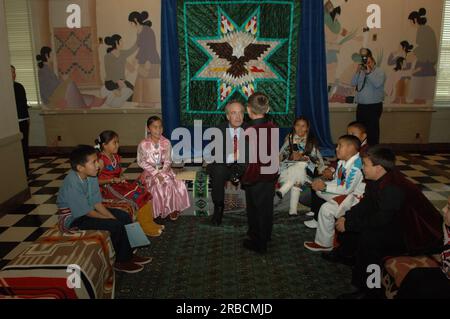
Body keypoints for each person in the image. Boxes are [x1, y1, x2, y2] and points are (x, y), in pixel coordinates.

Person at [334, 146, 443, 299]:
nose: (362, 168)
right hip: (397, 219)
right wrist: (347, 217)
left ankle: (369, 290)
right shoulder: (378, 179)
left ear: (378, 168)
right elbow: (367, 204)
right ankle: (348, 255)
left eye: (365, 164)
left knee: (371, 240)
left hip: (414, 233)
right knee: (354, 221)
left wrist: (349, 224)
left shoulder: (393, 188)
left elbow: (381, 219)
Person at [56, 145, 151, 273]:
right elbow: (87, 212)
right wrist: (109, 218)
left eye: (97, 161)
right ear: (80, 168)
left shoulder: (92, 175)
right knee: (115, 225)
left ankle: (129, 254)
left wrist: (110, 216)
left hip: (87, 210)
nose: (98, 165)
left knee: (123, 216)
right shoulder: (72, 182)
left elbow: (96, 203)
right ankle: (121, 261)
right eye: (93, 162)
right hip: (73, 218)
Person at [95, 130, 163, 237]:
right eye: (114, 143)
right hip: (107, 189)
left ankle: (149, 223)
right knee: (138, 196)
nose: (118, 145)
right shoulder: (101, 160)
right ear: (104, 145)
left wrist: (121, 178)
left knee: (144, 191)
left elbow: (119, 174)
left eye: (118, 142)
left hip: (117, 185)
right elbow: (93, 181)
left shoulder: (116, 157)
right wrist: (111, 180)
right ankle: (146, 227)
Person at [304, 135, 365, 251]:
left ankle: (325, 243)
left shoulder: (355, 167)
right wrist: (321, 184)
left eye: (339, 146)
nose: (336, 148)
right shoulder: (343, 161)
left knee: (326, 209)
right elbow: (338, 182)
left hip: (355, 199)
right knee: (318, 191)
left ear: (351, 148)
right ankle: (334, 215)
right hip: (345, 193)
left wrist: (324, 187)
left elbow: (346, 189)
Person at [241, 92, 279, 254]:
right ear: (267, 108)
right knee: (265, 208)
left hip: (255, 176)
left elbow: (246, 158)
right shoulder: (272, 126)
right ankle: (263, 234)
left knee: (256, 209)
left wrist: (239, 172)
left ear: (248, 109)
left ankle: (259, 243)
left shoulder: (249, 130)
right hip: (269, 175)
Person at [396, 196, 450, 299]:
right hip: (445, 271)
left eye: (449, 208)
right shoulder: (446, 226)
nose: (443, 209)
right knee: (414, 275)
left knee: (425, 290)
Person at [137, 116, 190, 221]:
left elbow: (168, 160)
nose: (158, 130)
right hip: (150, 172)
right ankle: (158, 209)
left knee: (170, 182)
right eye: (155, 127)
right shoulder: (143, 144)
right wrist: (156, 174)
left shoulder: (166, 142)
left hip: (165, 170)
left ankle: (172, 208)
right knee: (157, 184)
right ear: (148, 129)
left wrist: (162, 173)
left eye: (160, 127)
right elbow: (141, 161)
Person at [206, 101, 247, 226]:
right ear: (228, 116)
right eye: (234, 113)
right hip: (224, 165)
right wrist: (234, 156)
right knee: (218, 169)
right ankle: (219, 208)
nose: (238, 117)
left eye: (241, 113)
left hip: (243, 166)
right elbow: (215, 154)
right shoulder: (218, 130)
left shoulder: (250, 129)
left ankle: (254, 210)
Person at [276, 116, 325, 216]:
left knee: (301, 165)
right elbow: (282, 153)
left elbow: (316, 155)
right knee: (297, 177)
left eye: (303, 126)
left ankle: (284, 190)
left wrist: (303, 157)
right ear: (294, 126)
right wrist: (290, 156)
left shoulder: (310, 140)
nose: (300, 128)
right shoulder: (290, 138)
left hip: (306, 167)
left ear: (307, 128)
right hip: (289, 166)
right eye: (298, 125)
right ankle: (293, 211)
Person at [351, 51, 386, 145]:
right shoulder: (362, 72)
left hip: (374, 106)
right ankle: (361, 149)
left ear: (374, 62)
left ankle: (372, 151)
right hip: (362, 106)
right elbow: (353, 83)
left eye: (369, 62)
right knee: (360, 129)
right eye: (365, 62)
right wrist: (357, 72)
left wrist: (369, 72)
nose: (367, 64)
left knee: (372, 130)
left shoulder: (379, 72)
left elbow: (378, 84)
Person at [128, 11, 161, 106]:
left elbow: (151, 46)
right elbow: (141, 48)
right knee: (140, 81)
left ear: (135, 20)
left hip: (152, 60)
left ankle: (150, 103)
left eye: (130, 22)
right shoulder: (139, 32)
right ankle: (142, 102)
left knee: (149, 82)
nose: (130, 25)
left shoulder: (147, 30)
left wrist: (148, 61)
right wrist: (135, 59)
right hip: (143, 61)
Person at [407, 8, 438, 105]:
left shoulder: (423, 30)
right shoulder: (426, 29)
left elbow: (424, 46)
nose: (410, 24)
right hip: (427, 60)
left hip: (426, 60)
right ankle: (418, 100)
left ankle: (418, 100)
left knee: (418, 79)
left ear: (415, 20)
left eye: (410, 22)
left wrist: (413, 54)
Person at [102, 34, 137, 107]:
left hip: (122, 80)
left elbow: (132, 50)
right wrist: (117, 82)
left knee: (134, 92)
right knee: (122, 92)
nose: (123, 42)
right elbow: (109, 72)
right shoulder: (108, 56)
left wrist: (139, 40)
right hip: (111, 82)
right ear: (116, 42)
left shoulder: (122, 53)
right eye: (121, 41)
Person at [11, 65, 30, 176]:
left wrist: (27, 118)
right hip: (12, 123)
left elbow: (23, 104)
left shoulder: (19, 87)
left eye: (14, 72)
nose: (13, 75)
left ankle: (25, 171)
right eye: (11, 72)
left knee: (24, 147)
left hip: (23, 120)